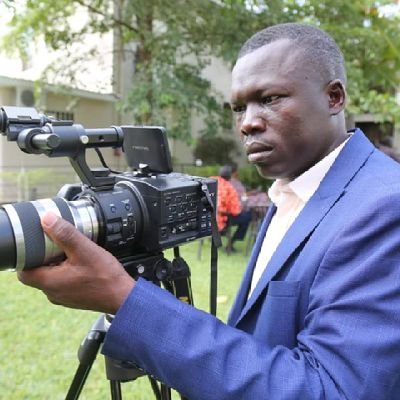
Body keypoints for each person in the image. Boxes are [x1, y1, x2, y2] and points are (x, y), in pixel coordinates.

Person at [18, 23, 400, 399]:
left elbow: (332, 390)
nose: (248, 122)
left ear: (334, 98)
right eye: (238, 107)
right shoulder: (295, 186)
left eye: (270, 99)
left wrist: (123, 297)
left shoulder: (384, 205)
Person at [212, 164, 252, 252]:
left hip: (209, 219)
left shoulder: (210, 182)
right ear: (230, 176)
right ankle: (231, 243)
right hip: (222, 221)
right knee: (248, 217)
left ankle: (222, 238)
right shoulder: (229, 188)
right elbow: (235, 211)